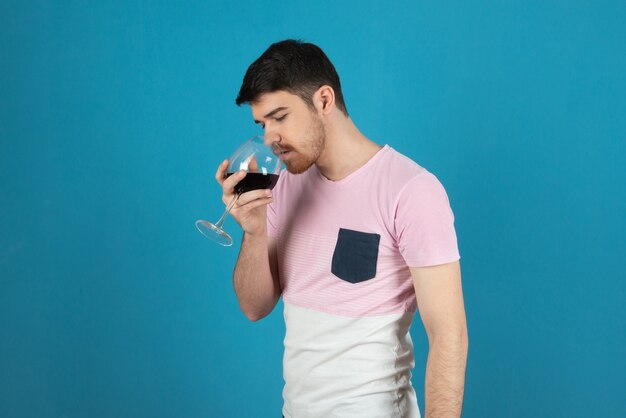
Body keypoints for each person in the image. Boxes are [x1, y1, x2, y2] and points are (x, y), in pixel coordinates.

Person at [215, 39, 468, 418]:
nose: (268, 138)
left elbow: (449, 337)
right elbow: (254, 307)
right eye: (261, 123)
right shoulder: (283, 184)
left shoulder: (411, 190)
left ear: (324, 100)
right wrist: (253, 232)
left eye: (279, 117)